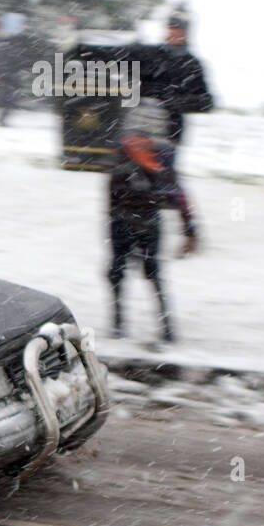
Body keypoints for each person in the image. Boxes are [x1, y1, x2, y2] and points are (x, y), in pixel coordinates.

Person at [107, 98, 198, 343]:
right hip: (147, 220)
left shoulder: (122, 148)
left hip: (122, 220)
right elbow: (177, 193)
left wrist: (114, 215)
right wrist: (189, 228)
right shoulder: (163, 154)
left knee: (117, 271)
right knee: (152, 273)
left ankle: (118, 324)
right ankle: (165, 328)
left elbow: (112, 192)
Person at [137, 5, 213, 146]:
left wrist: (173, 100)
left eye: (179, 29)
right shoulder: (147, 54)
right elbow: (109, 56)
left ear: (187, 32)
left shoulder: (192, 64)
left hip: (167, 136)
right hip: (133, 130)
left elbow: (206, 102)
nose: (174, 32)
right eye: (171, 27)